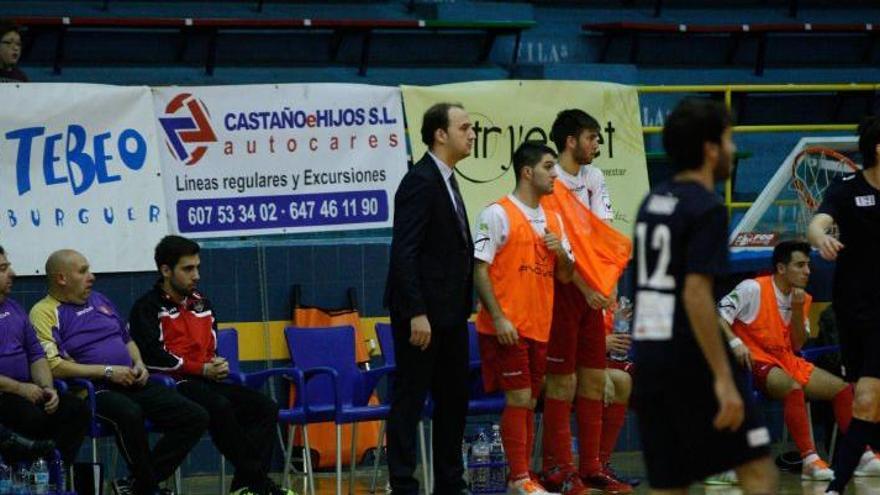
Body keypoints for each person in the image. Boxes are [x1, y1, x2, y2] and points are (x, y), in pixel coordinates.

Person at [631, 98, 777, 494]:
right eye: (728, 140)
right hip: (690, 358)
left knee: (669, 482)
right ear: (711, 149)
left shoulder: (652, 202)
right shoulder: (707, 207)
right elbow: (696, 294)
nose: (732, 150)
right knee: (758, 467)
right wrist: (723, 377)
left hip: (649, 357)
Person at [29, 249, 209, 495]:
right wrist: (107, 371)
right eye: (83, 272)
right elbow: (54, 366)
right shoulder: (44, 312)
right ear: (61, 278)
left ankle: (138, 485)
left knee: (195, 415)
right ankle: (147, 488)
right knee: (129, 413)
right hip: (93, 391)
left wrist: (139, 364)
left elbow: (127, 340)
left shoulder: (100, 300)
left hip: (131, 380)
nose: (91, 276)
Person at [128, 235, 290, 495]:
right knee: (219, 407)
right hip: (172, 384)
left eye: (198, 267)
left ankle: (244, 486)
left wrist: (216, 363)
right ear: (166, 271)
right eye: (188, 269)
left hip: (205, 380)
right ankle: (258, 483)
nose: (196, 275)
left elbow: (209, 348)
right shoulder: (147, 308)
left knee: (265, 408)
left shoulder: (202, 303)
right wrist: (201, 368)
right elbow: (153, 358)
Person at [384, 102, 475, 495]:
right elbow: (404, 252)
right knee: (409, 400)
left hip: (452, 315)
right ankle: (404, 485)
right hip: (422, 316)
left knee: (454, 401)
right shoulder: (420, 180)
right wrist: (417, 312)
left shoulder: (450, 179)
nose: (472, 134)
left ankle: (450, 484)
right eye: (465, 127)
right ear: (440, 134)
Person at [539, 109, 632, 495]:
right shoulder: (550, 179)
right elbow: (560, 246)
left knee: (594, 379)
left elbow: (602, 234)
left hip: (592, 290)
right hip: (562, 290)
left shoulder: (594, 177)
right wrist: (585, 282)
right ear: (570, 141)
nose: (597, 144)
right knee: (563, 383)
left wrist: (607, 282)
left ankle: (592, 466)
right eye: (591, 137)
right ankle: (558, 469)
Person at [474, 141, 574, 495]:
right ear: (528, 172)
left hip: (539, 326)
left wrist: (560, 253)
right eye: (549, 166)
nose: (555, 174)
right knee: (518, 399)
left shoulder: (554, 219)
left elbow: (564, 276)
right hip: (507, 327)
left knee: (530, 401)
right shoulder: (496, 213)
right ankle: (519, 479)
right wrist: (498, 317)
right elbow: (480, 270)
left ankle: (524, 474)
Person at [718, 240, 864, 480]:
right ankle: (809, 460)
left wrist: (797, 311)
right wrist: (735, 343)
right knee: (792, 388)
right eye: (800, 265)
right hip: (753, 359)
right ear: (781, 268)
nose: (808, 271)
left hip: (785, 359)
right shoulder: (752, 288)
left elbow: (797, 345)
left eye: (808, 265)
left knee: (842, 389)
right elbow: (719, 315)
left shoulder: (802, 298)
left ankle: (861, 455)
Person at [808, 116, 880, 495]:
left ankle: (835, 487)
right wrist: (821, 237)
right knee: (868, 405)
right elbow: (817, 223)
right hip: (853, 310)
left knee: (866, 401)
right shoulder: (846, 188)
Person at [0, 246, 90, 465]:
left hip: (29, 390)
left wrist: (47, 388)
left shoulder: (14, 309)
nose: (12, 273)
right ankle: (33, 472)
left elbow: (36, 355)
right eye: (3, 269)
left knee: (76, 410)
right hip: (6, 395)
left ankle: (52, 473)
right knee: (30, 417)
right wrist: (20, 389)